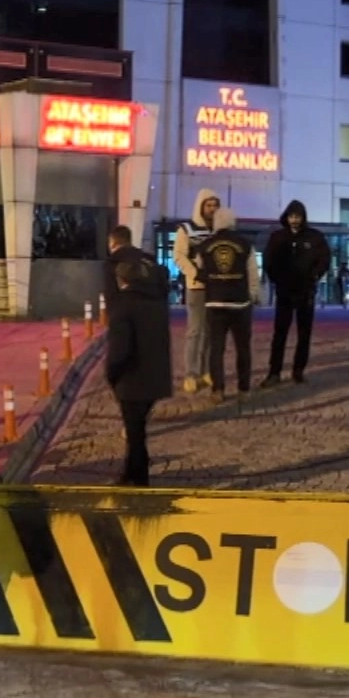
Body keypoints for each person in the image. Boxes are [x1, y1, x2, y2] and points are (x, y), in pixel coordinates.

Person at [106, 256, 173, 486]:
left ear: (122, 280)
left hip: (131, 379)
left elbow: (120, 349)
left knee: (135, 432)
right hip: (155, 376)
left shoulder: (122, 306)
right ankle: (131, 473)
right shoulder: (157, 301)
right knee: (136, 429)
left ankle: (140, 478)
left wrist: (112, 374)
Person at [261, 200, 331, 388]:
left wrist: (315, 275)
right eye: (291, 216)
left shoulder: (314, 237)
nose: (294, 220)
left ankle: (298, 371)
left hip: (306, 291)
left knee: (304, 333)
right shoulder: (277, 237)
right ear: (286, 217)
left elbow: (325, 259)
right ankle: (274, 372)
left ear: (303, 217)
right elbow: (268, 261)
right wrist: (277, 279)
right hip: (284, 291)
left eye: (297, 217)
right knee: (280, 333)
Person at [196, 208, 260, 402]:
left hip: (215, 303)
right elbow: (253, 273)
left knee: (216, 349)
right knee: (243, 348)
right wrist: (253, 295)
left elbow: (200, 272)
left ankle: (218, 389)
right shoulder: (245, 244)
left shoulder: (205, 245)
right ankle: (244, 389)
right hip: (240, 303)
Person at [173, 189, 220, 393]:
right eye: (208, 205)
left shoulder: (219, 230)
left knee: (210, 331)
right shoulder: (187, 229)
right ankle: (191, 374)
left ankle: (205, 371)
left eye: (215, 205)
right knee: (195, 330)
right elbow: (178, 255)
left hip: (216, 288)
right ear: (201, 206)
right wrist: (195, 273)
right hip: (197, 287)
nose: (212, 209)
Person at [103, 225, 152, 311]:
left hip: (125, 313)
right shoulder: (149, 259)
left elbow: (110, 296)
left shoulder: (113, 261)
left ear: (112, 243)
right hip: (153, 313)